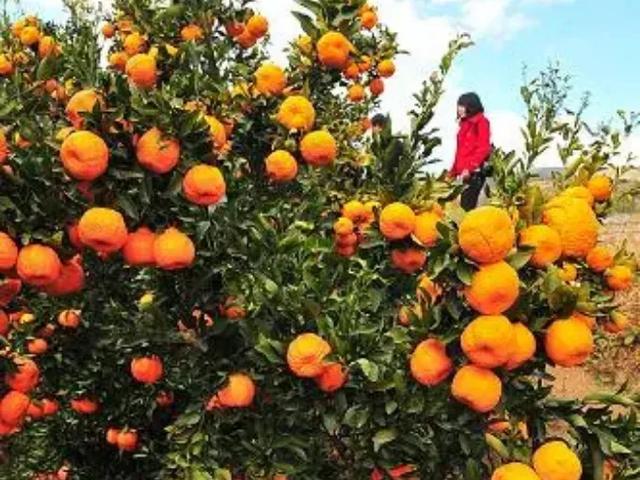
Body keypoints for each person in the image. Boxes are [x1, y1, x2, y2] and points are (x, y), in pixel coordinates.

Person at [450, 92, 492, 211]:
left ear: (472, 106)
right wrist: (452, 171)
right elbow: (460, 151)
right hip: (464, 174)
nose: (459, 109)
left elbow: (483, 147)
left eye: (463, 105)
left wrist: (470, 168)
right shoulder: (464, 125)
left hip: (475, 173)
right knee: (460, 206)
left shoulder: (481, 122)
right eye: (459, 105)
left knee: (467, 207)